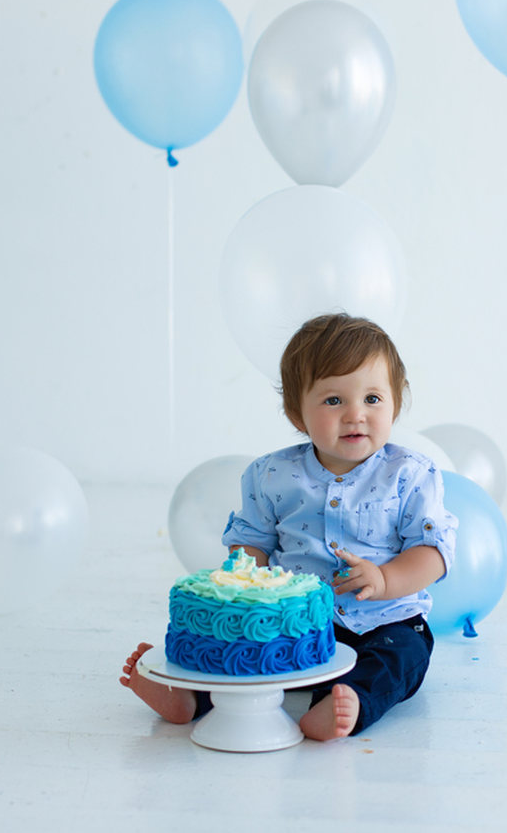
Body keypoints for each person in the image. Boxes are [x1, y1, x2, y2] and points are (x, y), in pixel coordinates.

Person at [121, 313, 457, 740]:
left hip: (384, 621)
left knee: (400, 660)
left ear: (396, 401)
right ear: (296, 413)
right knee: (245, 646)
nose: (356, 414)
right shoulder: (271, 475)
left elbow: (433, 552)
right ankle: (192, 697)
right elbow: (252, 542)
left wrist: (386, 578)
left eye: (372, 398)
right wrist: (245, 585)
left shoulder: (410, 473)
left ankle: (350, 702)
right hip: (292, 620)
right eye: (334, 400)